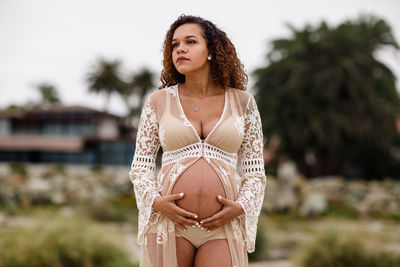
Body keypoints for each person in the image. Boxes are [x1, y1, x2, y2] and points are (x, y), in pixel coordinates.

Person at [129, 14, 267, 267]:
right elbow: (140, 166)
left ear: (212, 50)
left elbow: (255, 171)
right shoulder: (158, 102)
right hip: (169, 225)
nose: (180, 48)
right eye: (174, 45)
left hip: (222, 228)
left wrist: (241, 207)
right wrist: (157, 203)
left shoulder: (243, 102)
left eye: (190, 42)